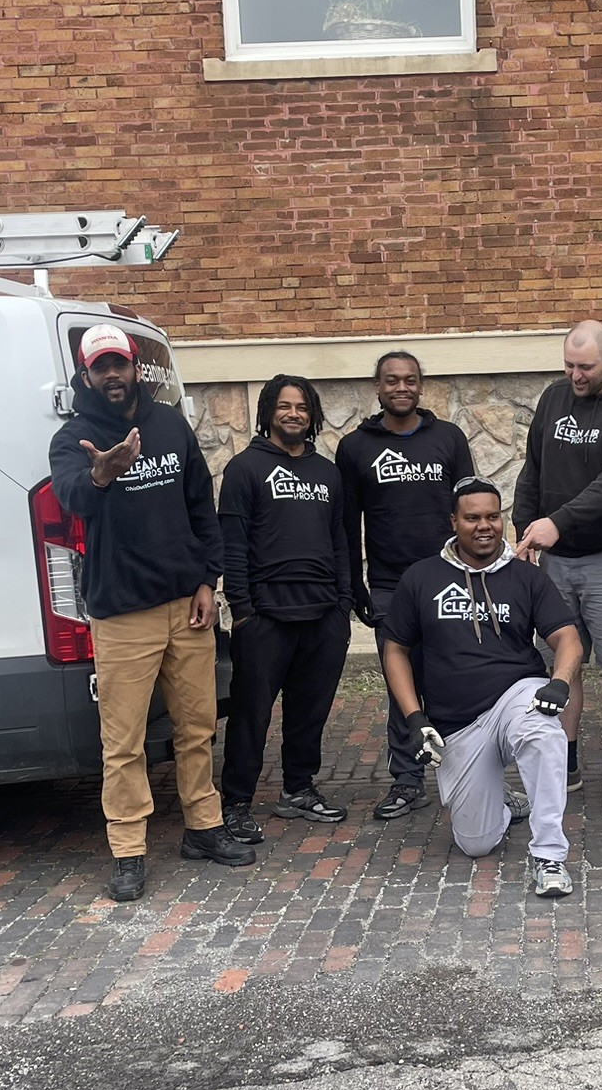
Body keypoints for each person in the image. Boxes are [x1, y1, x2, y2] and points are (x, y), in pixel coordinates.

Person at [46, 323, 253, 903]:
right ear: (85, 375)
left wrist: (208, 582)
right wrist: (103, 472)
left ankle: (204, 829)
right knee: (125, 740)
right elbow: (72, 498)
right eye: (100, 367)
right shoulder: (75, 439)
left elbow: (199, 507)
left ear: (136, 367)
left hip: (185, 603)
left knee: (196, 728)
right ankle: (128, 850)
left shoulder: (168, 423)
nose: (111, 375)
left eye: (120, 364)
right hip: (121, 613)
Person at [380, 477, 584, 899]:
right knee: (476, 843)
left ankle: (549, 855)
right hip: (457, 722)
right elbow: (395, 649)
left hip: (516, 694)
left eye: (492, 516)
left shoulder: (526, 577)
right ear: (454, 521)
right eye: (472, 518)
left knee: (544, 730)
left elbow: (567, 637)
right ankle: (508, 804)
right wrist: (414, 718)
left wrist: (560, 682)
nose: (484, 526)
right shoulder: (421, 577)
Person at [511, 319, 602, 817]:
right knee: (564, 665)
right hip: (557, 560)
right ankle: (566, 764)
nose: (576, 376)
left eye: (586, 367)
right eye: (570, 365)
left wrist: (558, 521)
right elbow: (533, 466)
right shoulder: (554, 398)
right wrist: (526, 527)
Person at [334, 350, 475, 820]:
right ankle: (407, 780)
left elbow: (470, 509)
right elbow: (345, 524)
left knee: (460, 678)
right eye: (391, 380)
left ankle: (474, 773)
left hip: (449, 579)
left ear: (420, 386)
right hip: (391, 586)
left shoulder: (449, 439)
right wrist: (355, 586)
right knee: (403, 685)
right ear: (377, 387)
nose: (401, 387)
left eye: (410, 380)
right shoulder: (355, 448)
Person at [218, 374, 354, 841]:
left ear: (312, 414)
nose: (294, 413)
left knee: (309, 712)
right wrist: (243, 611)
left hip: (323, 616)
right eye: (284, 406)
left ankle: (298, 789)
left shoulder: (328, 472)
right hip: (265, 618)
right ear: (268, 412)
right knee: (250, 715)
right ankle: (235, 802)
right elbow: (232, 547)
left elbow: (341, 541)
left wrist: (343, 606)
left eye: (302, 407)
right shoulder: (244, 470)